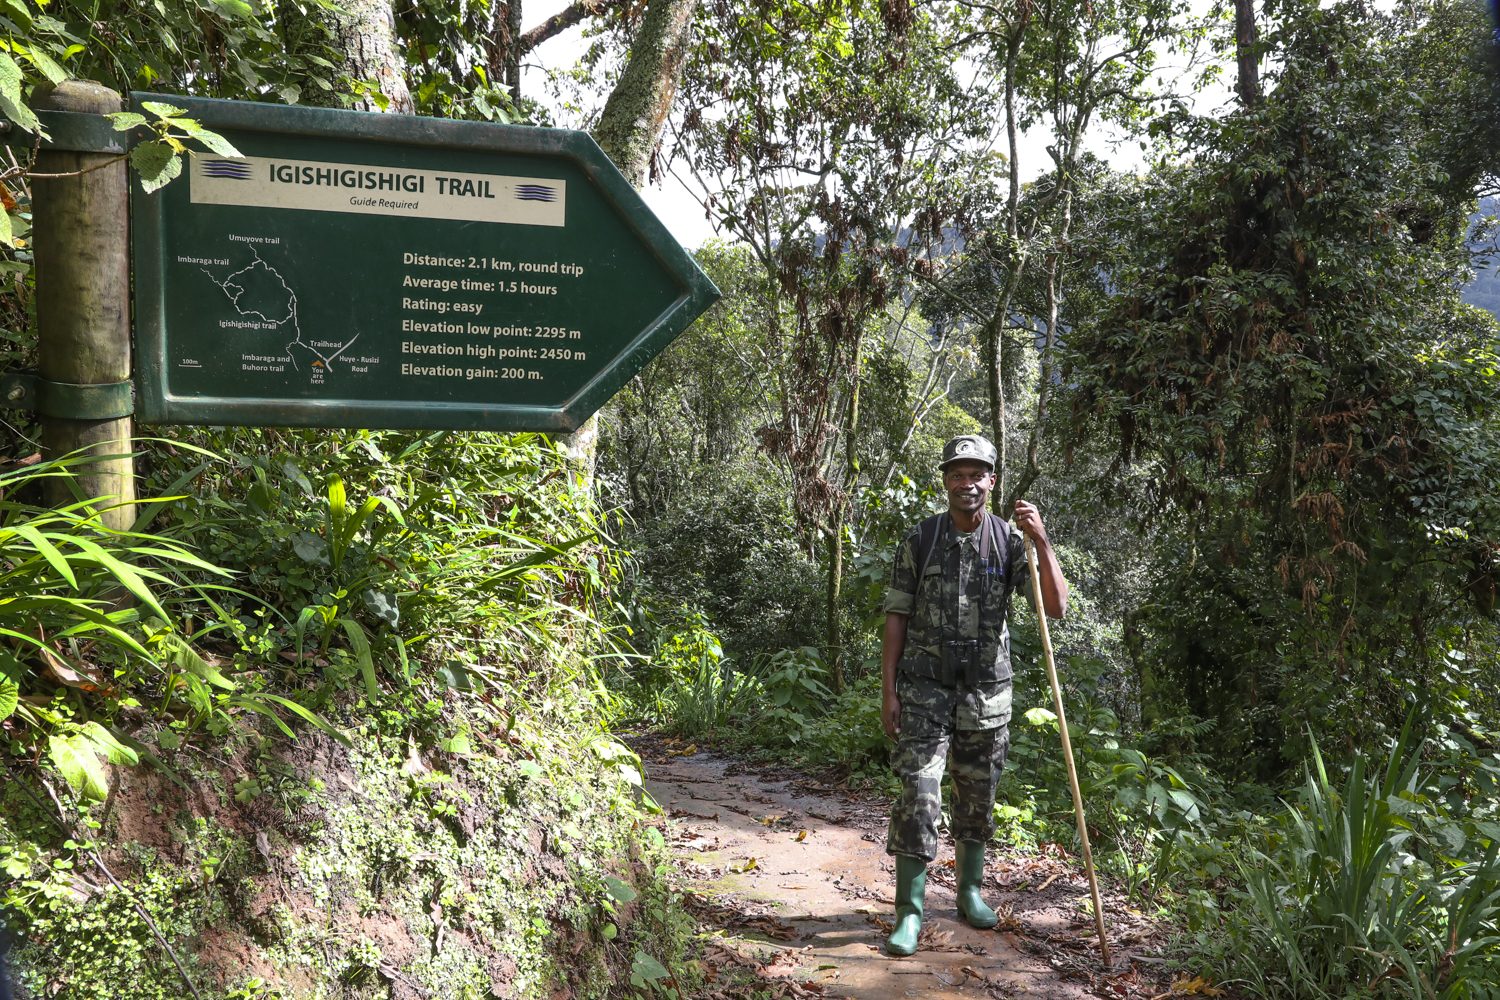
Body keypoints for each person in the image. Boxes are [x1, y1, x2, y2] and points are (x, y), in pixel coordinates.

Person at [880, 434, 1067, 956]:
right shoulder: (921, 539)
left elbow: (1055, 608)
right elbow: (897, 615)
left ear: (991, 481)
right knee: (919, 795)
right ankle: (910, 912)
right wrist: (887, 689)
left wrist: (1043, 541)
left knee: (977, 801)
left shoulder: (1010, 541)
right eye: (957, 474)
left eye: (976, 474)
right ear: (945, 481)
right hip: (924, 691)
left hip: (987, 696)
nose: (967, 483)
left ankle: (969, 892)